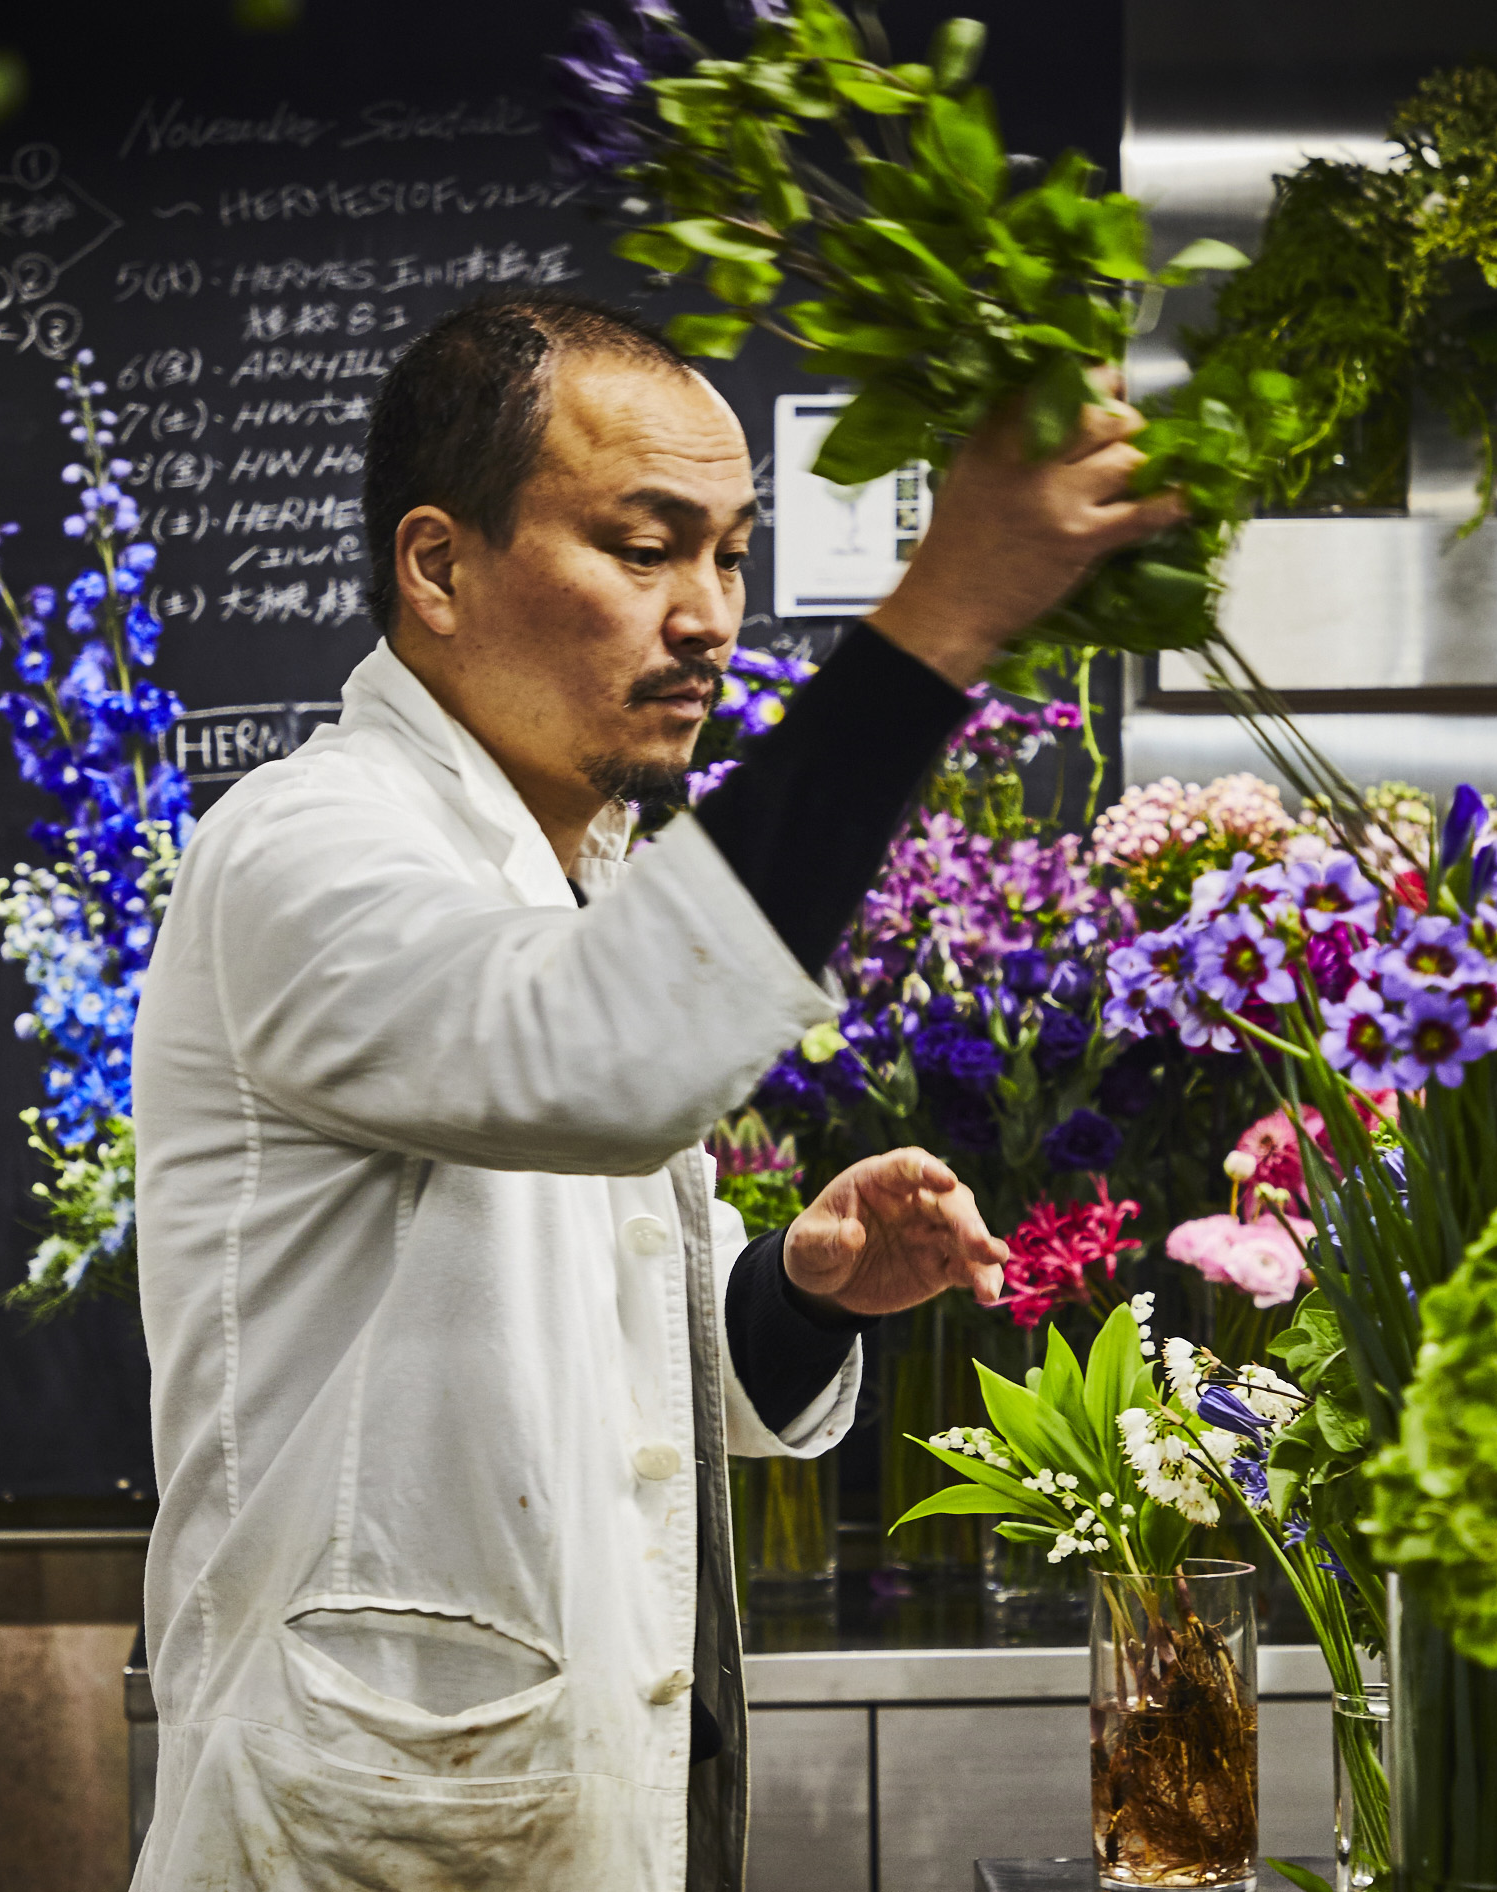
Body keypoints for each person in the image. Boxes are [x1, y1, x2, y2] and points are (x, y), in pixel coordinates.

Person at [132, 292, 1184, 1890]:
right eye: (644, 548)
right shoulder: (307, 849)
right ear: (437, 568)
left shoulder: (575, 876)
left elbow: (549, 1368)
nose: (708, 616)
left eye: (731, 554)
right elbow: (600, 1057)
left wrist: (789, 1295)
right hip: (361, 1838)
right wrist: (949, 609)